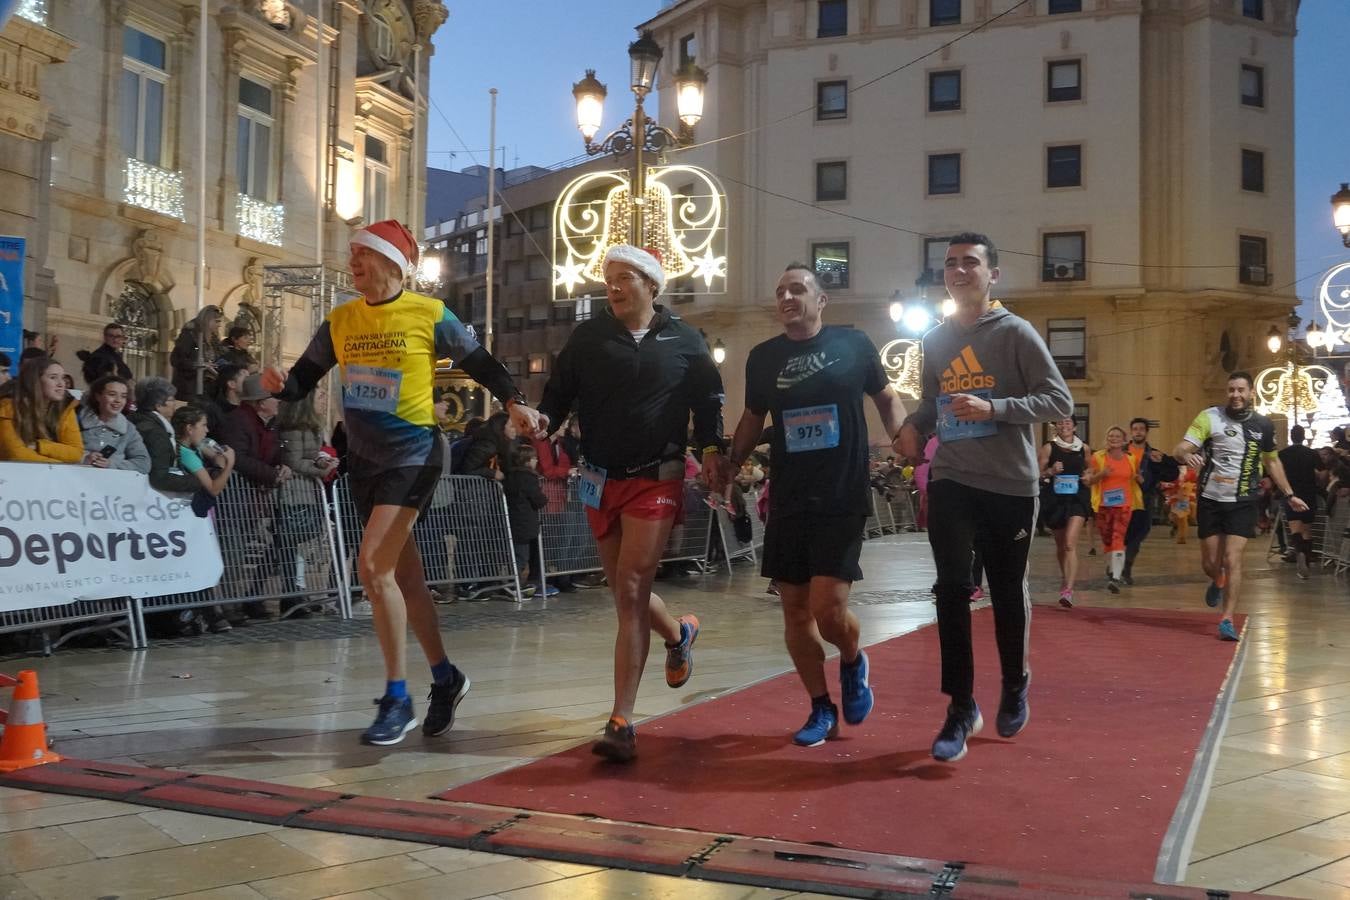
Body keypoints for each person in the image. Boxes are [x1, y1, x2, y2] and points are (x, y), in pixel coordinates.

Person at [262, 219, 542, 746]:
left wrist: (513, 401)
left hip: (415, 455)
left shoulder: (428, 313)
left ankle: (397, 698)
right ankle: (446, 676)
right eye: (350, 254)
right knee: (403, 580)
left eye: (360, 254)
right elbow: (305, 378)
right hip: (364, 460)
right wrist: (282, 383)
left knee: (371, 567)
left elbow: (479, 361)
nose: (351, 263)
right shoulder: (341, 319)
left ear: (391, 262)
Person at [537, 244, 727, 763]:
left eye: (624, 278)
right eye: (608, 279)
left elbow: (709, 401)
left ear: (651, 285)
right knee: (626, 594)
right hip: (600, 478)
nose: (613, 287)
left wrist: (711, 450)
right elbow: (558, 393)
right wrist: (542, 421)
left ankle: (622, 719)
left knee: (632, 583)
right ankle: (679, 631)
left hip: (658, 476)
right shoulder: (589, 337)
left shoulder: (685, 340)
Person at [896, 232, 1073, 763]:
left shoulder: (1016, 332)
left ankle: (1015, 681)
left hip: (1010, 483)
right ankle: (960, 706)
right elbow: (934, 401)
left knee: (1004, 588)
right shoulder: (934, 339)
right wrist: (912, 424)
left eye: (970, 262)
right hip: (952, 476)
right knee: (951, 588)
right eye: (950, 263)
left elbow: (1058, 399)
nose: (958, 270)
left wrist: (994, 409)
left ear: (992, 275)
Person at [725, 261, 906, 747]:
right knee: (795, 612)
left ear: (821, 300)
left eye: (798, 289)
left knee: (829, 609)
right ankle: (820, 707)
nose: (787, 297)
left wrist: (904, 440)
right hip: (789, 495)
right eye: (781, 290)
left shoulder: (853, 345)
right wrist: (729, 462)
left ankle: (852, 659)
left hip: (842, 491)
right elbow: (750, 417)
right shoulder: (763, 357)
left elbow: (887, 399)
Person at [1172, 371, 1306, 641]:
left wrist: (1289, 493)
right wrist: (1187, 454)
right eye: (1231, 389)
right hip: (1210, 498)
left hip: (1243, 499)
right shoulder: (1209, 417)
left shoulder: (1264, 426)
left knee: (1233, 559)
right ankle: (1217, 580)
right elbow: (1180, 448)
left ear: (1251, 393)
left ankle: (1227, 619)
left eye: (1241, 390)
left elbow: (1272, 462)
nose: (1235, 395)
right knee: (1211, 563)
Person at [1038, 416, 1091, 607]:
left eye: (1068, 422)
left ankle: (1068, 590)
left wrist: (1088, 476)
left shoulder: (1083, 448)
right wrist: (1051, 471)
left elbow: (1090, 470)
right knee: (1061, 546)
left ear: (1075, 426)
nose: (1064, 425)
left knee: (1070, 544)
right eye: (1060, 422)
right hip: (1055, 500)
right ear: (1055, 426)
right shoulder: (1048, 448)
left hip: (1077, 499)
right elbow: (1039, 473)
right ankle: (1065, 577)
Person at [1121, 417, 1179, 585]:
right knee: (1120, 535)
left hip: (1144, 500)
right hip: (1122, 498)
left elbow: (1172, 474)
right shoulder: (1121, 451)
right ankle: (1116, 566)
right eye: (1135, 429)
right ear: (1131, 432)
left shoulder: (1153, 453)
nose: (1138, 431)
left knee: (1138, 535)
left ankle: (1126, 569)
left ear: (1146, 432)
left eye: (1141, 429)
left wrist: (1162, 461)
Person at [1083, 426, 1139, 593]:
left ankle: (1116, 576)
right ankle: (1112, 568)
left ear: (1124, 440)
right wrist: (1102, 474)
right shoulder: (1098, 457)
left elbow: (1135, 477)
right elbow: (1089, 481)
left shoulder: (1131, 458)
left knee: (1117, 538)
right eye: (1111, 436)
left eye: (1117, 436)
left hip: (1124, 505)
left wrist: (1139, 477)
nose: (1113, 438)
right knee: (1107, 540)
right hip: (1103, 506)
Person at [0, 357, 86, 464]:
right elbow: (15, 454)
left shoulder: (65, 406)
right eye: (53, 377)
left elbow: (76, 452)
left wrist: (40, 446)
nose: (61, 384)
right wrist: (60, 464)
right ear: (34, 381)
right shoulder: (8, 406)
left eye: (63, 378)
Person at [77, 375, 151, 474]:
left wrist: (112, 464)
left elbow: (144, 463)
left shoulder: (129, 429)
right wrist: (84, 459)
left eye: (123, 396)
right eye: (112, 394)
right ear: (98, 396)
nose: (118, 400)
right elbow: (61, 453)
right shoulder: (76, 422)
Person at [1278, 425, 1324, 579]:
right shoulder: (1312, 454)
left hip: (1291, 493)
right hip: (1309, 493)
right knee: (1307, 530)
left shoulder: (1283, 454)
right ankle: (1307, 561)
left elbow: (1277, 474)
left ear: (1291, 436)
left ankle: (1299, 555)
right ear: (1303, 436)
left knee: (1295, 529)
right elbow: (1323, 473)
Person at [505, 444, 548, 591]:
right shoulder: (528, 477)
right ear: (527, 460)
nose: (536, 461)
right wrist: (544, 499)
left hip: (513, 520)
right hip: (525, 522)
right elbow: (537, 499)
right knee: (521, 557)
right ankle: (514, 585)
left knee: (516, 554)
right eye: (535, 458)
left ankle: (512, 582)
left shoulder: (509, 476)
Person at [170, 304, 223, 401]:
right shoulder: (189, 335)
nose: (219, 325)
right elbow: (176, 359)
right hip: (191, 387)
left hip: (209, 387)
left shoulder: (214, 339)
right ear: (208, 320)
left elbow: (219, 356)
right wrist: (198, 365)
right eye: (217, 321)